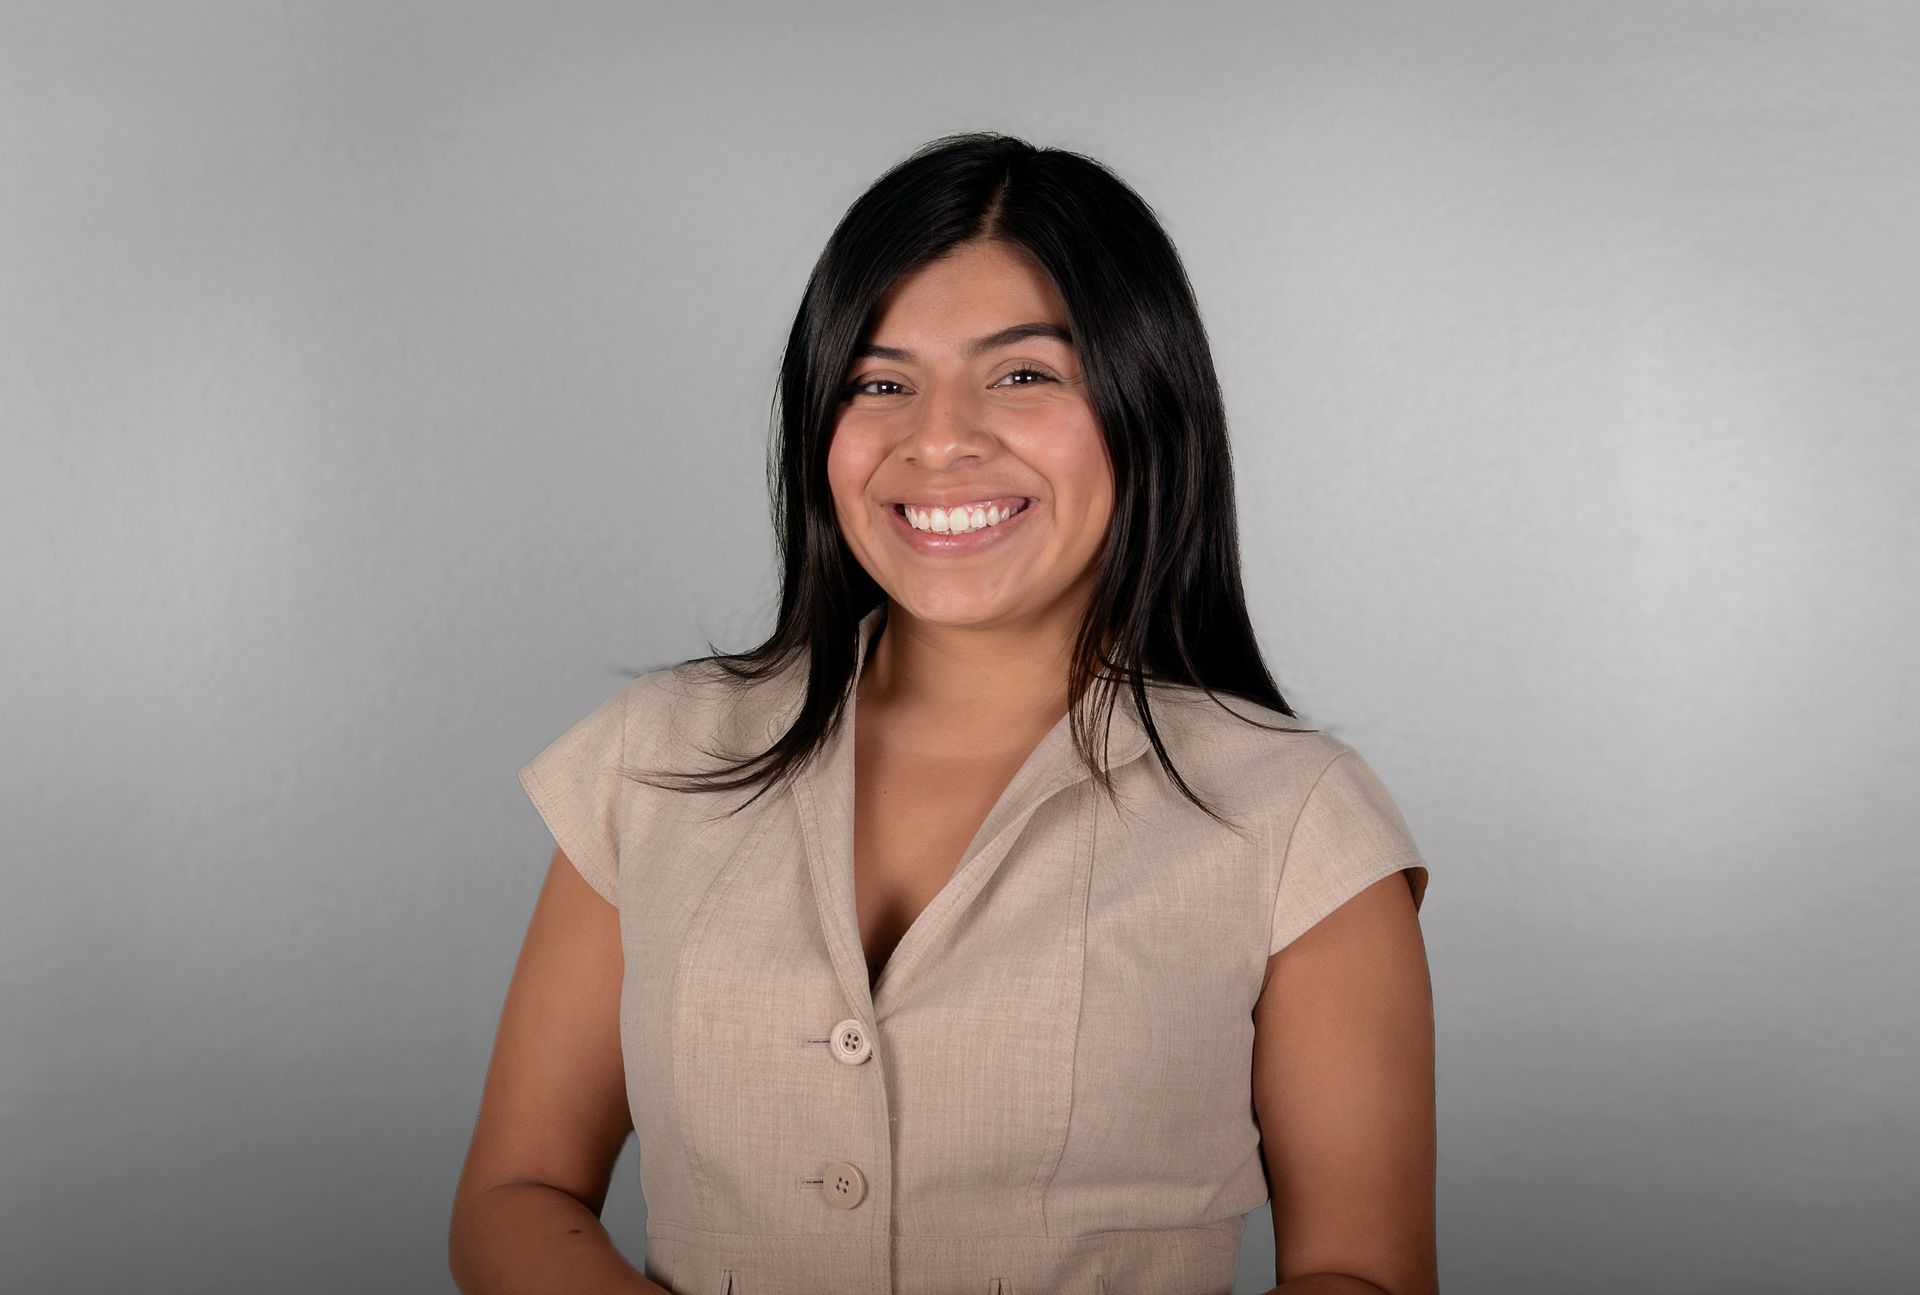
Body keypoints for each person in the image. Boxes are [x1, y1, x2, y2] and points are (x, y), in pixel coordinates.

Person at [450, 132, 1437, 1295]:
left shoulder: (1296, 819)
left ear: (1144, 403)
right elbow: (516, 1194)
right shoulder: (653, 757)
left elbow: (1363, 1272)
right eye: (880, 381)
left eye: (1023, 374)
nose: (937, 438)